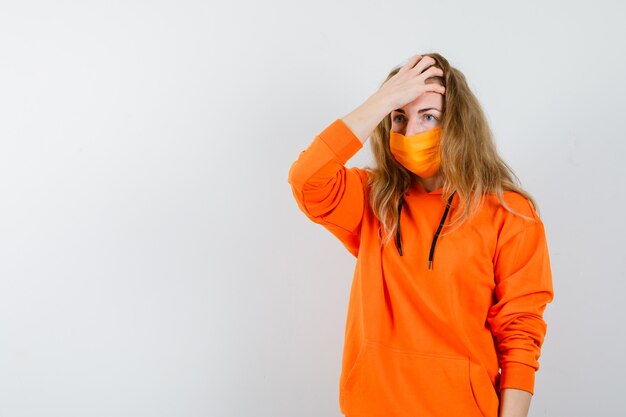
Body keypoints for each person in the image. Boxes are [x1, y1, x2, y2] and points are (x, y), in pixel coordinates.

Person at [287, 53, 554, 417]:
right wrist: (383, 99)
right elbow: (307, 179)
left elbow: (521, 335)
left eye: (428, 116)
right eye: (400, 117)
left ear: (459, 125)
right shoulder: (372, 199)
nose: (411, 132)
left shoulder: (509, 213)